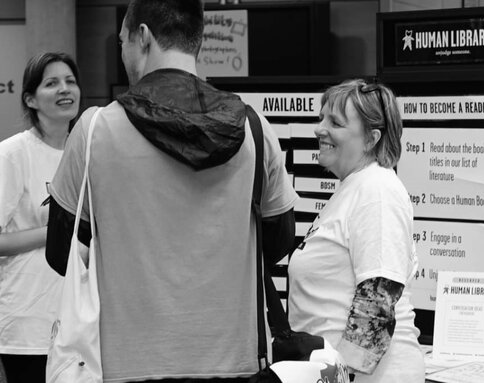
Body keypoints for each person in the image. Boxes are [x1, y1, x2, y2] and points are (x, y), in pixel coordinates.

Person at [45, 0, 297, 381]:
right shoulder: (254, 130)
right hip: (237, 364)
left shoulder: (94, 130)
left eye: (123, 42)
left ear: (143, 37)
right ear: (196, 41)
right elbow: (279, 242)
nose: (125, 53)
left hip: (124, 365)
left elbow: (60, 252)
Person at [287, 79, 425, 382]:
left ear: (371, 138)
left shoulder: (376, 190)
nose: (319, 128)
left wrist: (340, 377)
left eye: (335, 122)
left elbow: (376, 304)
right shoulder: (354, 188)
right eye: (321, 118)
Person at [0, 52, 81, 383]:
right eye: (52, 83)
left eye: (70, 81)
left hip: (79, 321)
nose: (65, 89)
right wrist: (57, 231)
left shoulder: (86, 150)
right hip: (28, 323)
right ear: (30, 99)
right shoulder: (12, 154)